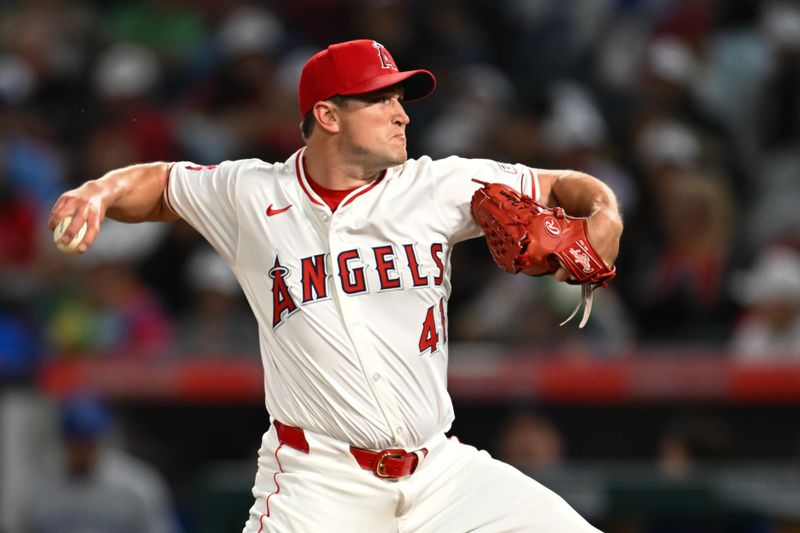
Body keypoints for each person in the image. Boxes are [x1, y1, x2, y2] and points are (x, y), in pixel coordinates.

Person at [49, 39, 622, 532]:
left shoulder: (437, 185)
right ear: (327, 115)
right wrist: (97, 192)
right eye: (382, 98)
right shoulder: (251, 193)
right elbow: (159, 184)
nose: (402, 115)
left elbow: (567, 185)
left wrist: (605, 219)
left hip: (443, 473)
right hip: (319, 482)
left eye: (401, 99)